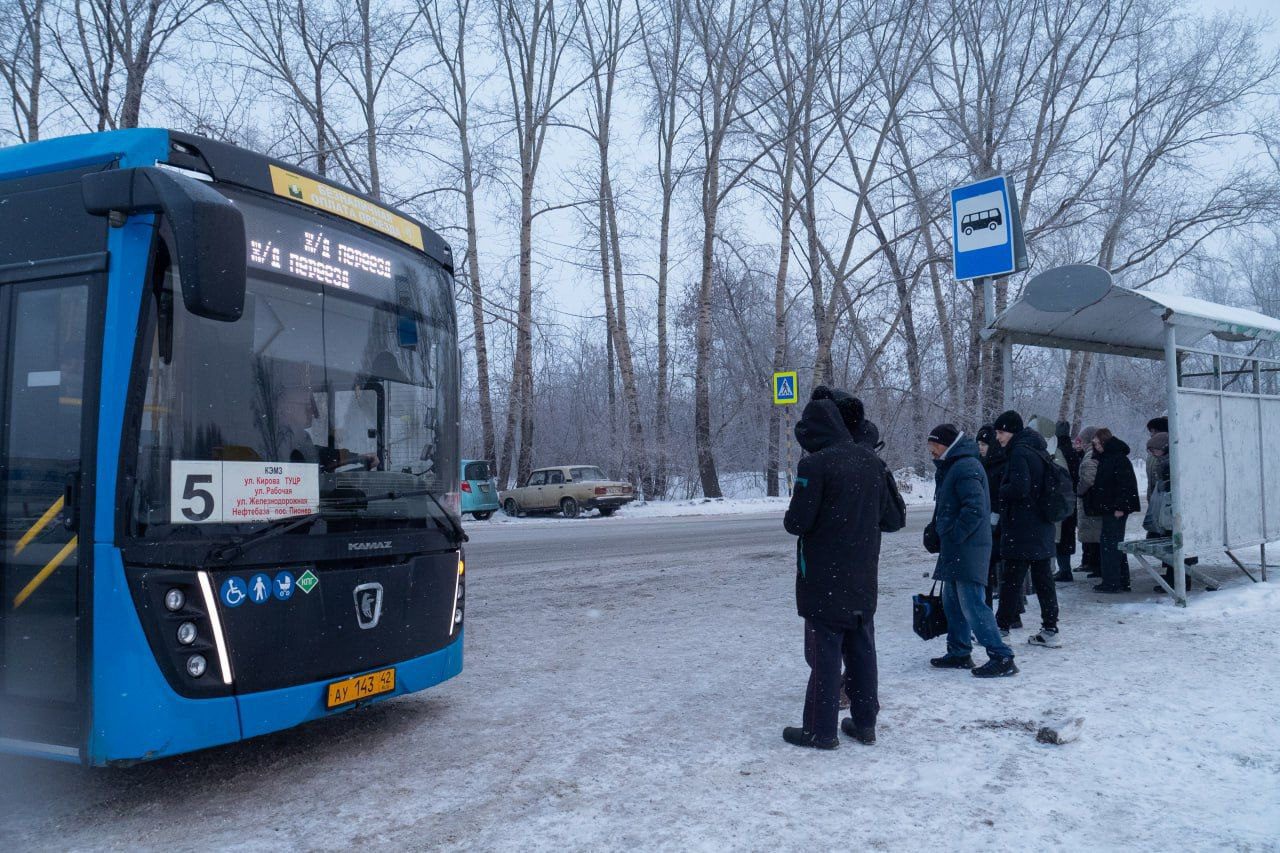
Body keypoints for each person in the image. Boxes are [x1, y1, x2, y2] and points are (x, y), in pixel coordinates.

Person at [782, 398, 905, 750]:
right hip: (863, 574)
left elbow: (796, 523)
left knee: (825, 654)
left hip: (824, 576)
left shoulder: (815, 465)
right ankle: (865, 724)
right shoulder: (872, 462)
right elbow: (894, 519)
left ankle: (820, 731)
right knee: (863, 649)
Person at [926, 424, 1017, 677]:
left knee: (973, 604)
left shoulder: (965, 466)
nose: (931, 450)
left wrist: (953, 533)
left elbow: (975, 509)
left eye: (934, 445)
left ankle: (1002, 657)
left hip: (967, 546)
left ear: (946, 445)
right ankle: (959, 652)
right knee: (952, 602)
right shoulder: (953, 466)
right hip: (957, 546)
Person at [992, 410, 1062, 648]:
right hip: (1040, 525)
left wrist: (999, 492)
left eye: (1001, 432)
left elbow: (1020, 488)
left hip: (1023, 527)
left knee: (1011, 580)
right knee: (1043, 580)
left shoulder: (1019, 452)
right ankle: (1050, 629)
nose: (998, 438)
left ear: (1012, 431)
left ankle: (1000, 629)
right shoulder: (1036, 449)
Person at [1087, 427, 1141, 593]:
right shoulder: (1111, 457)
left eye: (1096, 443)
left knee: (1110, 544)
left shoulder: (1117, 459)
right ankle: (1120, 580)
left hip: (1115, 509)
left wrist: (1121, 507)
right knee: (1114, 544)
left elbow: (1126, 485)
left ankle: (1112, 582)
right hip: (1111, 508)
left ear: (1103, 441)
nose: (1095, 447)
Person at [976, 424, 1016, 617]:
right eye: (979, 444)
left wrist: (996, 517)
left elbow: (1001, 494)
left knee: (1002, 571)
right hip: (989, 521)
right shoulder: (982, 463)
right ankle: (992, 612)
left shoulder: (1001, 463)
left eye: (984, 443)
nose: (981, 448)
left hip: (999, 522)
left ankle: (1009, 614)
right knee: (991, 570)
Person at [1054, 420, 1082, 583]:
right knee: (1067, 534)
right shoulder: (1071, 451)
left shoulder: (1057, 451)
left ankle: (1064, 569)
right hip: (1071, 497)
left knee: (1060, 535)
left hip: (1061, 497)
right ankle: (1065, 568)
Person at [1074, 427, 1102, 577]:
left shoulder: (1090, 455)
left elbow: (1088, 478)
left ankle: (1096, 566)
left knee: (1094, 535)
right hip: (1092, 500)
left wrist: (1079, 490)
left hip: (1089, 501)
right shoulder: (1092, 453)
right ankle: (1096, 565)